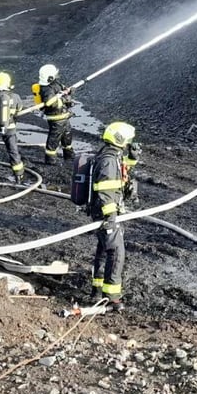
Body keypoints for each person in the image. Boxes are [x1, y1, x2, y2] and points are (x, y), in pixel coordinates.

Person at [88, 121, 141, 310]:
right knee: (116, 251)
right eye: (128, 140)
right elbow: (105, 190)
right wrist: (110, 217)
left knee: (104, 249)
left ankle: (97, 290)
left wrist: (132, 159)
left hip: (105, 213)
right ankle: (111, 297)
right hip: (106, 213)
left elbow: (122, 172)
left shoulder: (111, 156)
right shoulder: (109, 160)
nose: (129, 143)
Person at [35, 63, 74, 165]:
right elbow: (49, 103)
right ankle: (51, 161)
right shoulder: (46, 89)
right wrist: (60, 96)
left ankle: (69, 157)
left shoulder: (55, 84)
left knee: (67, 137)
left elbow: (63, 90)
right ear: (50, 77)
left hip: (64, 117)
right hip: (56, 118)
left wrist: (68, 91)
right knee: (54, 140)